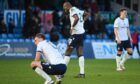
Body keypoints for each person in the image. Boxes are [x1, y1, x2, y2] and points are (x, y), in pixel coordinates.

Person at [63, 2, 89, 78]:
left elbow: (76, 18)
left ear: (67, 6)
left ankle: (61, 72)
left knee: (68, 51)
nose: (64, 9)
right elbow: (87, 14)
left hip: (75, 33)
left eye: (64, 7)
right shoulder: (77, 9)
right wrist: (83, 21)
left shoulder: (72, 10)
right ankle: (82, 73)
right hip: (81, 34)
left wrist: (72, 27)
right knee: (80, 53)